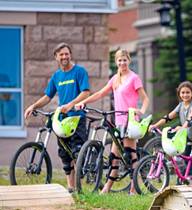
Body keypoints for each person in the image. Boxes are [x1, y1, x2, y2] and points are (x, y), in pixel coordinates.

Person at [75, 49, 150, 194]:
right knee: (114, 157)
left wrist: (141, 110)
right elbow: (100, 93)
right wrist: (83, 102)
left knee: (130, 154)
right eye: (119, 60)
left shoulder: (134, 78)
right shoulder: (115, 79)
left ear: (128, 60)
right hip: (118, 120)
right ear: (116, 62)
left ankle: (134, 189)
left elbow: (145, 98)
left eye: (125, 60)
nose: (122, 63)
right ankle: (107, 188)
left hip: (130, 120)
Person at [24, 42, 91, 193]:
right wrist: (33, 106)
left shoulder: (79, 71)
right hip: (62, 120)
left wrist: (71, 104)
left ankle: (79, 188)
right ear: (56, 57)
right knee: (64, 153)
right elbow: (48, 96)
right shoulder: (56, 76)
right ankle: (71, 188)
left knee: (76, 151)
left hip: (77, 117)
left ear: (70, 55)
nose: (64, 57)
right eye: (61, 54)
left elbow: (86, 92)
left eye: (67, 53)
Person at [149, 81, 192, 183]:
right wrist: (155, 125)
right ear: (179, 94)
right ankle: (185, 179)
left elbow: (191, 118)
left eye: (187, 92)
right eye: (183, 93)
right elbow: (168, 117)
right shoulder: (180, 105)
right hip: (186, 138)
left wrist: (182, 127)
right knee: (184, 159)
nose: (185, 95)